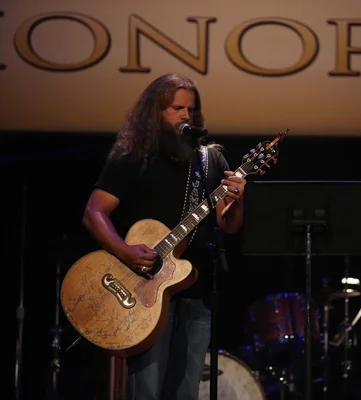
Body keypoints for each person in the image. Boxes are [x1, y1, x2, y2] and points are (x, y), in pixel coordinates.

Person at [82, 73, 247, 399]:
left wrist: (238, 201)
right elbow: (93, 213)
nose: (186, 115)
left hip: (196, 288)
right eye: (176, 108)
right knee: (146, 390)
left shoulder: (209, 159)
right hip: (145, 291)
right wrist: (125, 251)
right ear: (155, 112)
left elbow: (228, 225)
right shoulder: (132, 157)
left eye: (191, 108)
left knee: (185, 392)